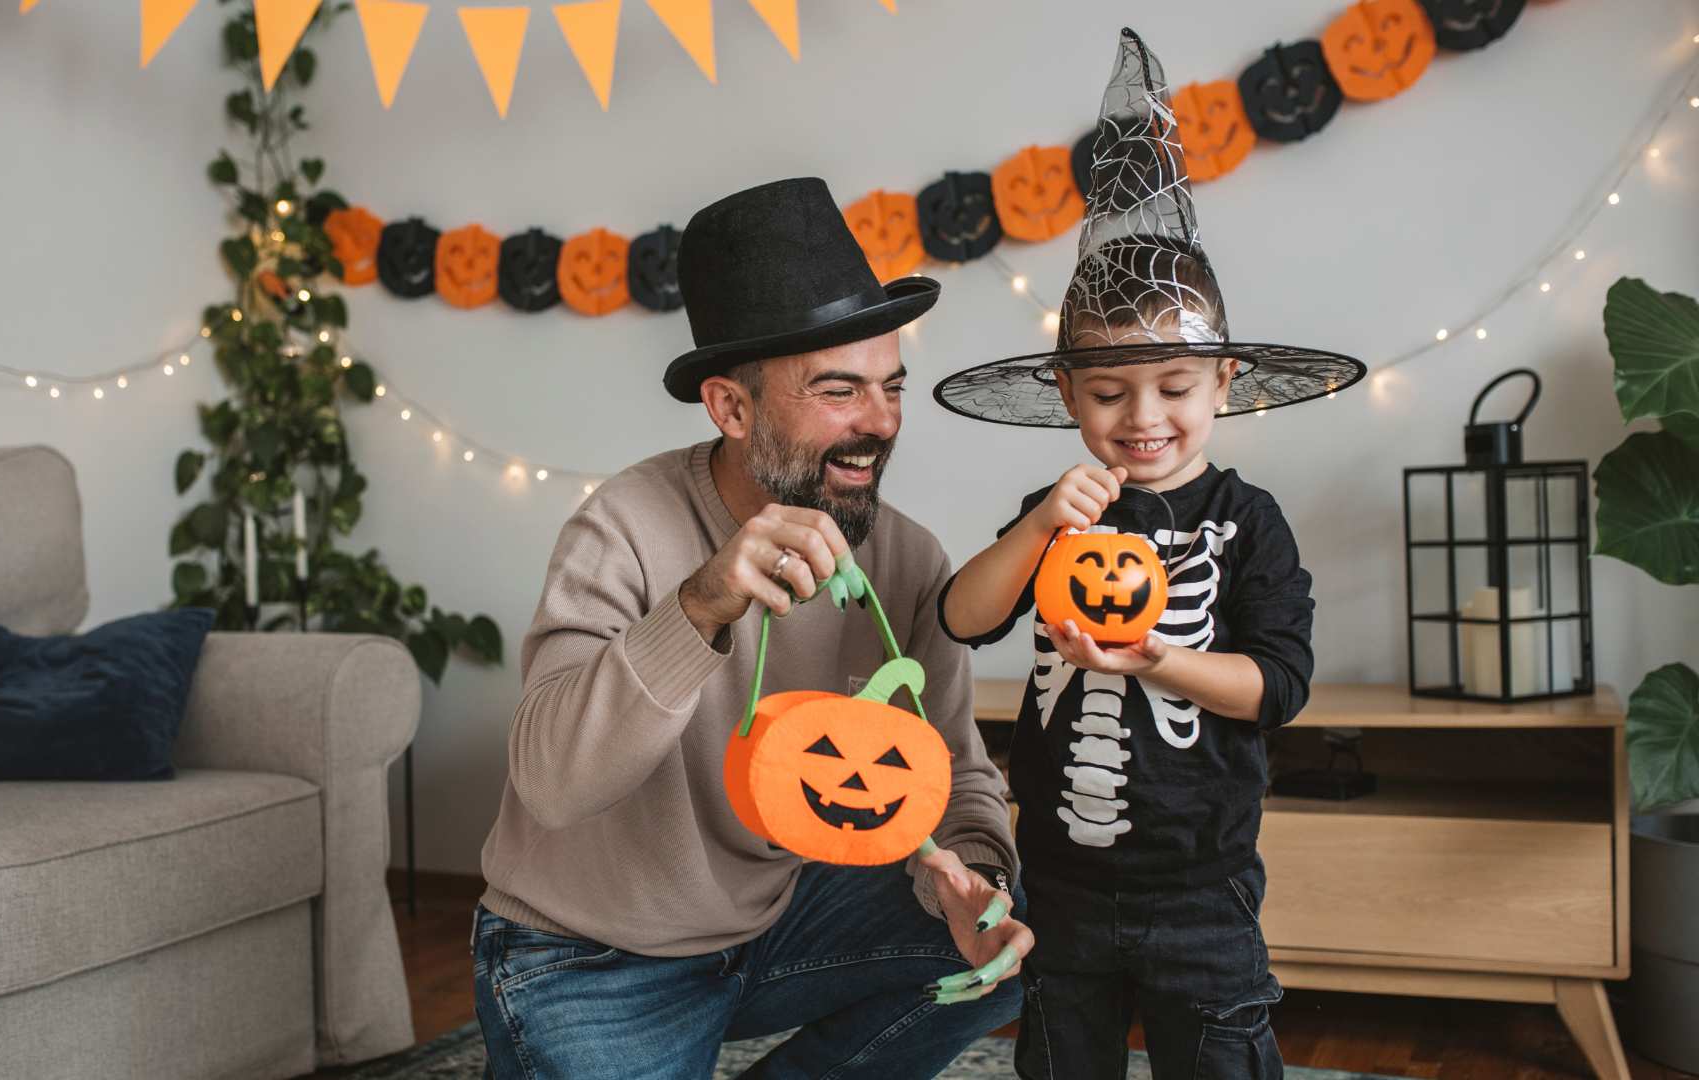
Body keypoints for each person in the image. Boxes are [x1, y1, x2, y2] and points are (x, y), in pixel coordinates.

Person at [474, 176, 1031, 1078]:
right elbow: (551, 783)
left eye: (892, 387)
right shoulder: (622, 527)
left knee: (999, 956)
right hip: (592, 956)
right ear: (732, 408)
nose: (880, 423)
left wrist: (972, 874)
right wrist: (700, 607)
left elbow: (956, 768)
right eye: (839, 391)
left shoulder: (905, 561)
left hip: (774, 926)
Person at [931, 29, 1366, 1080]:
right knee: (1058, 1058)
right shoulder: (1059, 509)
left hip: (1200, 886)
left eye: (1174, 388)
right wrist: (1038, 531)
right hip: (1062, 878)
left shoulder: (1248, 520)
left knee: (1216, 1058)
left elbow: (1278, 686)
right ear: (1069, 397)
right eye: (1111, 392)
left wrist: (1155, 662)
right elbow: (962, 617)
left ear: (1223, 385)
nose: (1145, 417)